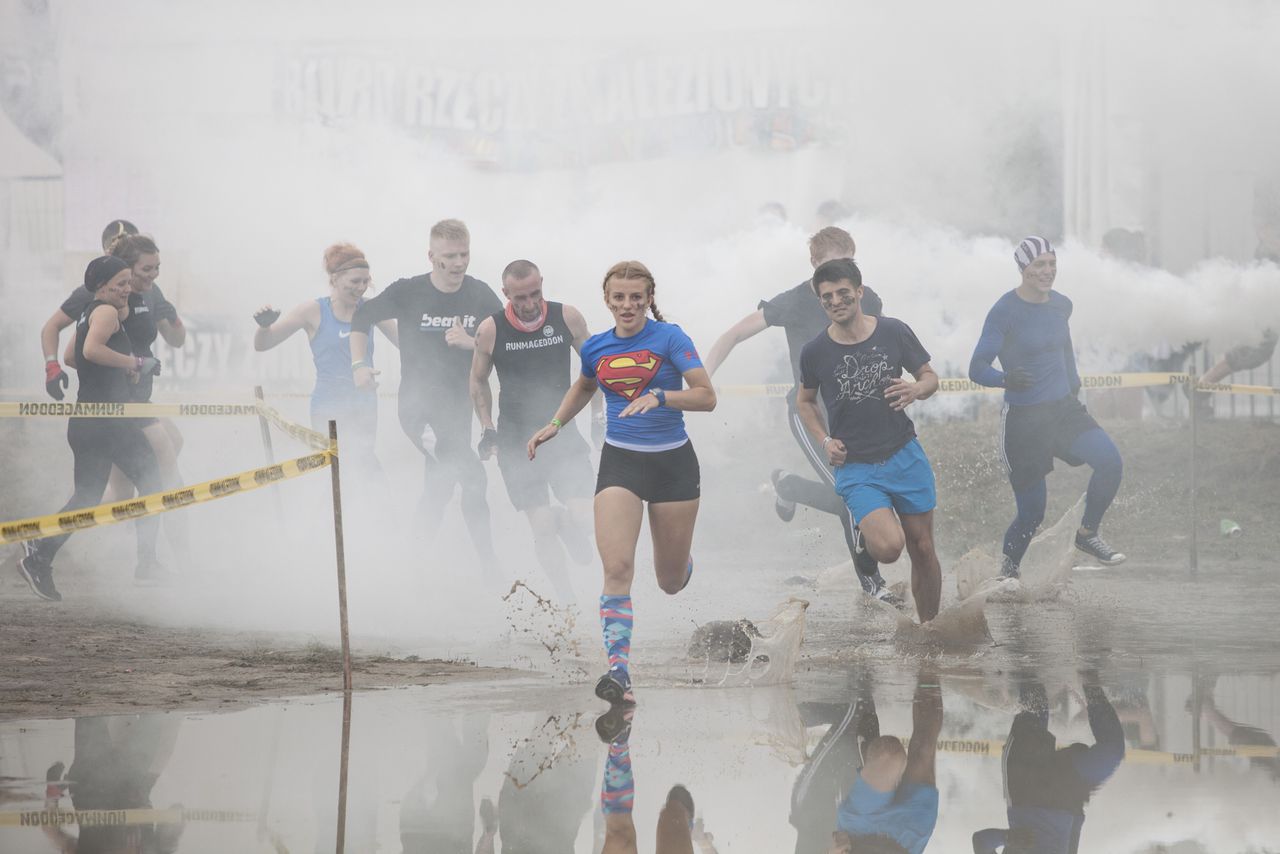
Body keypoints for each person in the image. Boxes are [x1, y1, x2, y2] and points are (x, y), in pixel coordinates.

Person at [528, 261, 716, 706]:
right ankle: (619, 672)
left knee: (668, 581)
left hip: (673, 464)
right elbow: (585, 386)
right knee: (616, 569)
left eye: (637, 297)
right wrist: (555, 422)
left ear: (650, 297)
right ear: (607, 301)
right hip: (621, 464)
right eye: (619, 298)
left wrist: (662, 397)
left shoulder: (671, 338)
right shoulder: (595, 346)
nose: (628, 305)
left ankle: (681, 561)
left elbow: (707, 396)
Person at [705, 227, 896, 605]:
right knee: (850, 498)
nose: (840, 274)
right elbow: (734, 334)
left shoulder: (865, 296)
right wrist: (703, 377)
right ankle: (873, 585)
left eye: (849, 264)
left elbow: (882, 345)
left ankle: (790, 487)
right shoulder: (795, 300)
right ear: (813, 267)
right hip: (811, 414)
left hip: (858, 414)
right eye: (831, 265)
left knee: (866, 493)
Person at [968, 237, 1126, 578]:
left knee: (1110, 462)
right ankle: (1007, 574)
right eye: (1039, 265)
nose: (1047, 271)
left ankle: (1087, 534)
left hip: (1062, 411)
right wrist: (1005, 378)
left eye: (1052, 264)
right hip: (1023, 420)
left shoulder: (1061, 305)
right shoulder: (1004, 310)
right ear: (1023, 269)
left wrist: (1074, 382)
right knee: (1032, 513)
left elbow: (1064, 345)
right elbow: (976, 367)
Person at [349, 219, 502, 573]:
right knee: (473, 477)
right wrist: (359, 364)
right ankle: (490, 566)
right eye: (450, 256)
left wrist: (472, 342)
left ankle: (412, 567)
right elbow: (361, 317)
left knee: (440, 487)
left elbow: (504, 338)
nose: (459, 263)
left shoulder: (479, 293)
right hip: (418, 412)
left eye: (464, 254)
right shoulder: (408, 291)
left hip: (458, 411)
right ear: (432, 256)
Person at [796, 259, 942, 623]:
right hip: (857, 465)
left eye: (843, 292)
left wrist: (915, 389)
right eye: (826, 297)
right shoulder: (815, 352)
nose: (835, 301)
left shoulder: (893, 332)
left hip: (904, 454)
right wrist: (824, 439)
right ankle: (865, 531)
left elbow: (929, 377)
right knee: (891, 549)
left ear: (859, 292)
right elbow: (804, 401)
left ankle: (929, 630)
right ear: (821, 302)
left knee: (923, 548)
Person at [18, 257, 165, 601]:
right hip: (107, 422)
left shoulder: (90, 312)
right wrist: (136, 363)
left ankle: (41, 552)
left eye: (129, 282)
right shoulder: (107, 313)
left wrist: (118, 372)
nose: (128, 289)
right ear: (101, 286)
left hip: (89, 421)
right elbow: (90, 350)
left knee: (87, 497)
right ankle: (147, 565)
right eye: (121, 283)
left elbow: (72, 356)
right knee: (153, 481)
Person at [470, 259, 596, 602]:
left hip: (561, 432)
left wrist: (600, 420)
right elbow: (478, 381)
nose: (528, 304)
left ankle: (568, 524)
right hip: (516, 441)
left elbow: (596, 368)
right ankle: (567, 599)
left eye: (535, 294)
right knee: (541, 526)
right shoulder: (490, 330)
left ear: (542, 284)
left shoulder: (567, 317)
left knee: (586, 517)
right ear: (505, 293)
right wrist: (487, 428)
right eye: (519, 297)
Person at [252, 242, 396, 470]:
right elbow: (264, 344)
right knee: (333, 470)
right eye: (354, 282)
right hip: (328, 403)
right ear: (335, 279)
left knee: (364, 463)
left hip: (363, 401)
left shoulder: (371, 308)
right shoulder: (311, 311)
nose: (361, 288)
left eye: (365, 281)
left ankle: (373, 504)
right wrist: (264, 327)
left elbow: (405, 343)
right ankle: (325, 506)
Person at [971, 671, 1124, 853]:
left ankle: (1020, 653)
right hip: (1065, 795)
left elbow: (981, 841)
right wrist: (1077, 808)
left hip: (1025, 790)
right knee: (1112, 751)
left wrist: (1007, 837)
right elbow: (1071, 846)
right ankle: (1089, 680)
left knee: (1036, 696)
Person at [827, 667, 942, 854]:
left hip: (862, 828)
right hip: (906, 839)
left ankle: (870, 756)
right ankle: (929, 664)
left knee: (890, 753)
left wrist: (833, 852)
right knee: (924, 748)